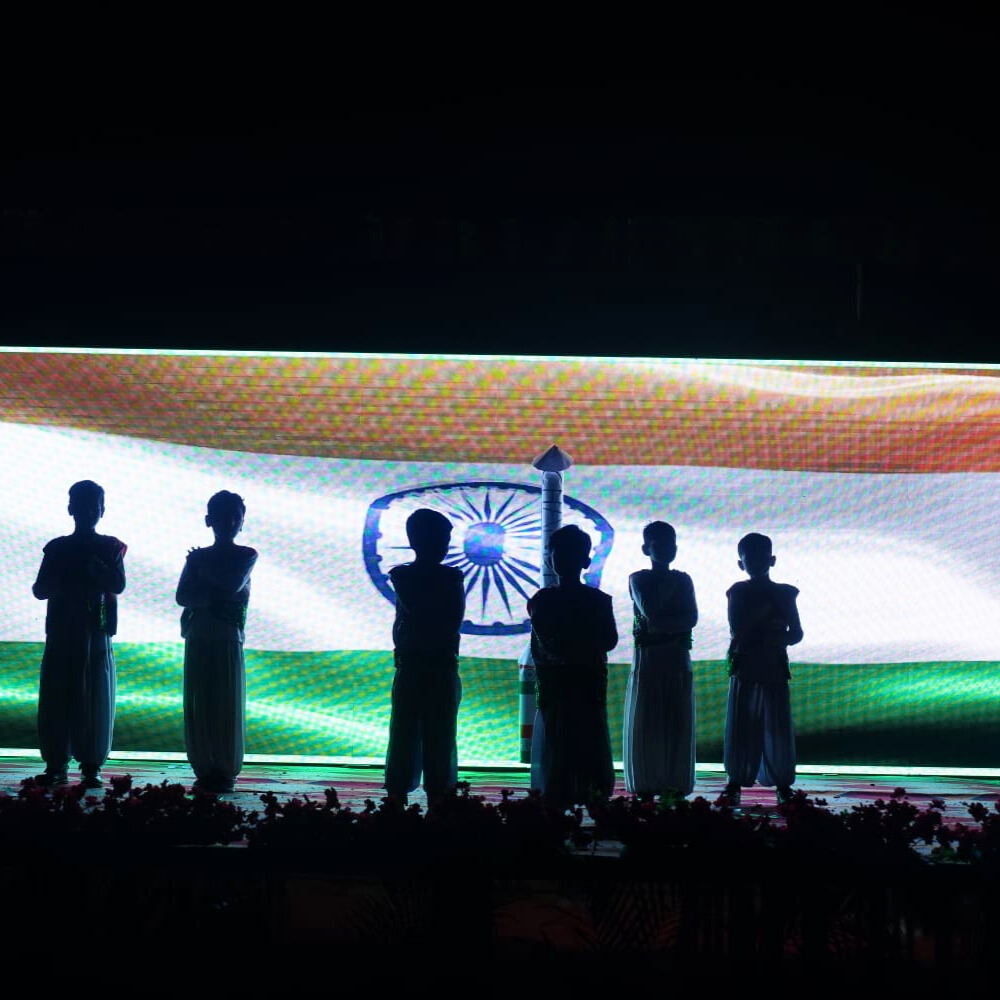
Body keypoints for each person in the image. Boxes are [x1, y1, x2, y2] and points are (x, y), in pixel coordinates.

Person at [32, 480, 127, 789]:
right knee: (59, 694)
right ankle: (57, 763)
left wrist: (97, 571)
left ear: (102, 510)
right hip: (62, 630)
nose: (87, 512)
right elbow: (40, 589)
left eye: (93, 506)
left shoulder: (110, 547)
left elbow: (118, 585)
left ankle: (90, 764)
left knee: (93, 693)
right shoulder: (57, 548)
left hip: (95, 631)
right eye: (82, 506)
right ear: (71, 508)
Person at [528, 524, 618, 809]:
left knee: (560, 741)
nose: (564, 559)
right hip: (582, 682)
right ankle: (592, 798)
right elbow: (608, 640)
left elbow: (547, 645)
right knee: (587, 738)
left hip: (561, 684)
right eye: (561, 553)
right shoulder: (597, 601)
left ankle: (561, 800)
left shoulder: (543, 601)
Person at [383, 508, 466, 807]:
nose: (444, 545)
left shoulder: (403, 576)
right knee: (439, 733)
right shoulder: (449, 578)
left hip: (414, 663)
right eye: (442, 539)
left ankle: (398, 796)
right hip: (439, 664)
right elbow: (452, 621)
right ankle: (437, 796)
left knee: (404, 731)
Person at [176, 490, 258, 794]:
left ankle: (224, 770)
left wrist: (201, 576)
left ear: (242, 521)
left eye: (235, 516)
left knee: (225, 705)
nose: (230, 522)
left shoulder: (245, 555)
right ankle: (205, 768)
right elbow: (182, 596)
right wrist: (208, 588)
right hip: (199, 636)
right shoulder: (198, 558)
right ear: (209, 520)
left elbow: (230, 586)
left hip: (226, 638)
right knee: (201, 704)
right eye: (223, 516)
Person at [722, 532, 803, 808]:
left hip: (772, 665)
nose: (756, 562)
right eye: (751, 558)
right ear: (741, 563)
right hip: (747, 665)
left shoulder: (786, 593)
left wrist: (776, 639)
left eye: (761, 557)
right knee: (743, 723)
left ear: (772, 560)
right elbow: (738, 629)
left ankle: (782, 784)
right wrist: (774, 636)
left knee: (776, 724)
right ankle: (735, 782)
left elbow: (797, 632)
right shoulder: (738, 592)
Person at [623, 521, 699, 799]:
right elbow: (651, 611)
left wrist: (661, 627)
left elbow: (691, 618)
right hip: (651, 659)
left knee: (675, 718)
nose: (668, 549)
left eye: (672, 544)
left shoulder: (683, 580)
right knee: (649, 719)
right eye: (661, 544)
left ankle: (673, 782)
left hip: (675, 657)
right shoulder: (638, 579)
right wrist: (669, 624)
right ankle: (648, 783)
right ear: (646, 549)